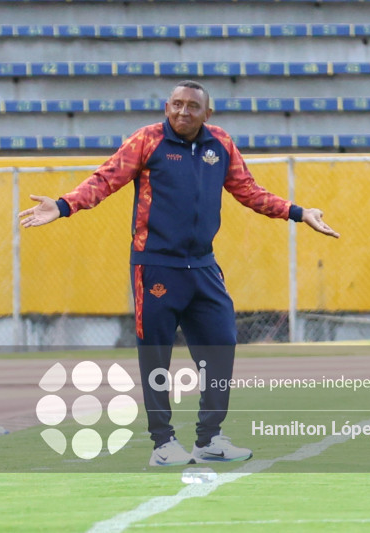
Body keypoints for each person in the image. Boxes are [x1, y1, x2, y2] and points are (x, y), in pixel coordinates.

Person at [19, 80, 339, 467]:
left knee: (221, 344)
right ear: (165, 107)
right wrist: (62, 205)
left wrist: (300, 212)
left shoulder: (220, 144)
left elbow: (250, 192)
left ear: (208, 113)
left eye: (192, 106)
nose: (182, 112)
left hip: (203, 267)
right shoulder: (147, 141)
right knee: (156, 355)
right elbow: (105, 180)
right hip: (156, 265)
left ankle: (209, 439)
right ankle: (163, 444)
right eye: (176, 104)